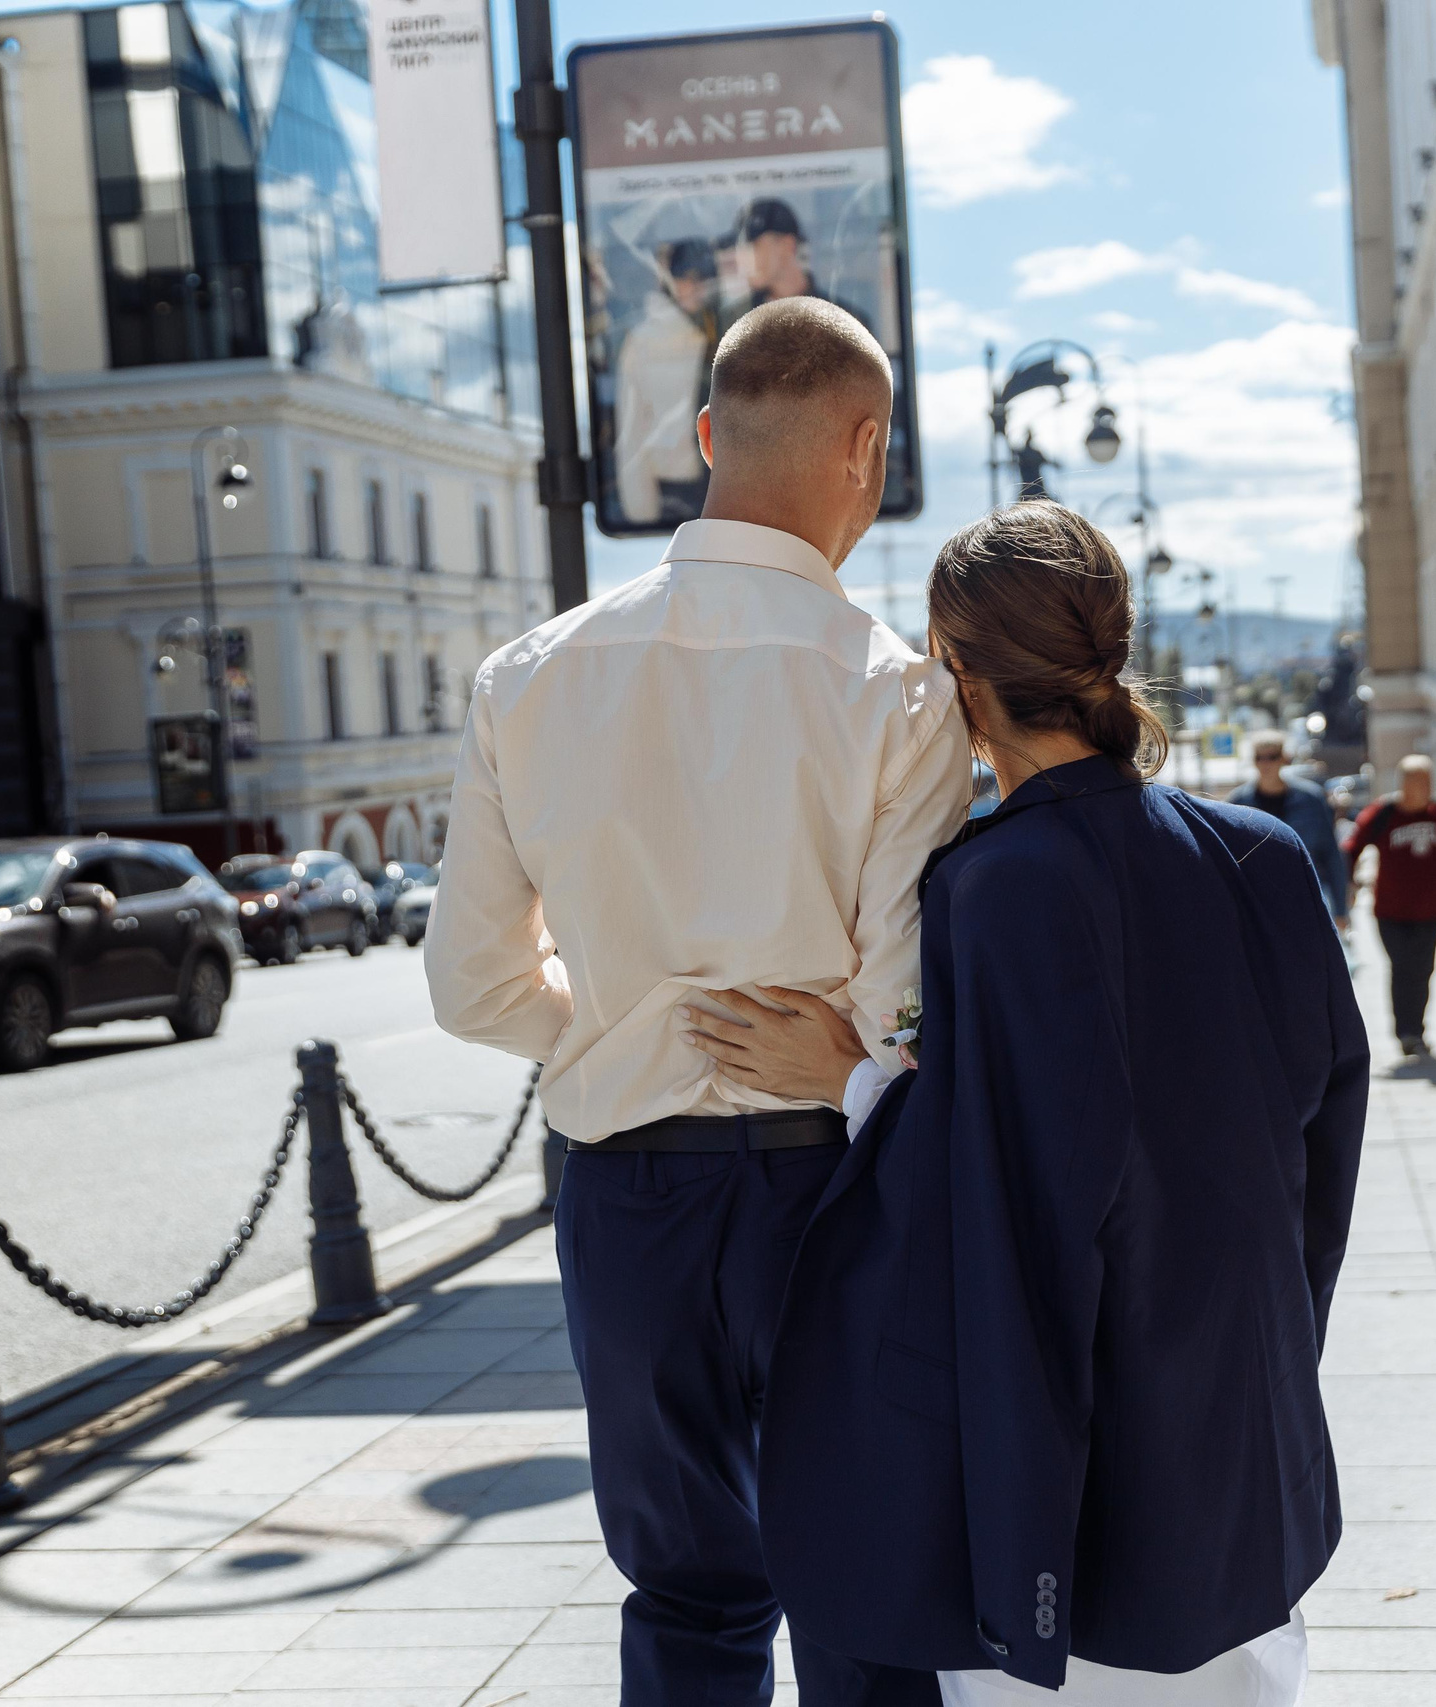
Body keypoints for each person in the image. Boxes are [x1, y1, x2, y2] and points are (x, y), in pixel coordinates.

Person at [681, 501, 1369, 1705]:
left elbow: (997, 1187)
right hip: (1243, 1428)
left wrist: (849, 1080)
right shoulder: (1263, 857)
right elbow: (1324, 1143)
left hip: (1090, 1473)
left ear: (956, 670)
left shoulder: (994, 890)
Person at [426, 296, 971, 1707]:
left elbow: (472, 982)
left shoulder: (528, 676)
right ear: (867, 446)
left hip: (629, 1190)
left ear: (709, 433)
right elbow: (904, 1005)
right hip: (832, 1185)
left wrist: (619, 1028)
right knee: (864, 1576)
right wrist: (831, 1040)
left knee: (684, 1588)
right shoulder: (902, 697)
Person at [1346, 754, 1436, 1058]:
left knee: (1423, 970)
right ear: (1403, 785)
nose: (1424, 789)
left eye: (1428, 782)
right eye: (1417, 783)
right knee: (1403, 967)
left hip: (1431, 911)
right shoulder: (1382, 814)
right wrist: (1348, 882)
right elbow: (1351, 847)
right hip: (1390, 911)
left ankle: (1415, 1030)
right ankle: (1405, 1032)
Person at [612, 237, 719, 526]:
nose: (695, 287)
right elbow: (631, 432)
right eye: (686, 277)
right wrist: (642, 515)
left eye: (704, 278)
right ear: (670, 279)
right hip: (675, 493)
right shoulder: (644, 341)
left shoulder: (729, 328)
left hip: (731, 489)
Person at [1230, 733, 1350, 932]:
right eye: (1259, 758)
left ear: (1284, 759)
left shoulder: (1311, 799)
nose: (1266, 763)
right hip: (1259, 901)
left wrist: (1341, 910)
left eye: (1272, 756)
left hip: (1307, 895)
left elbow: (1331, 854)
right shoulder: (1238, 803)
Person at [721, 197, 873, 336]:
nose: (743, 259)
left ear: (787, 245)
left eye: (753, 246)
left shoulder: (846, 322)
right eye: (739, 249)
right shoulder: (734, 322)